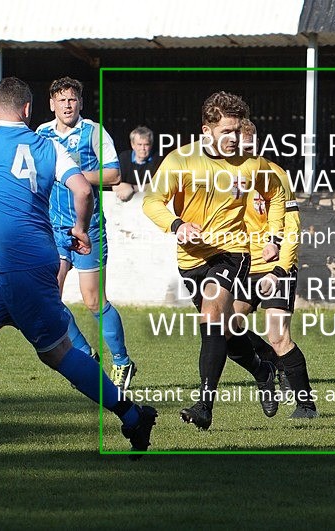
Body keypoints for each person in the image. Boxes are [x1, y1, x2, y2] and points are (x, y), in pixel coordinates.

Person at [0, 77, 156, 459]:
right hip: (21, 262)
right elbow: (83, 190)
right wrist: (80, 228)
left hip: (18, 265)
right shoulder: (48, 146)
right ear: (27, 110)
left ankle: (132, 414)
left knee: (56, 353)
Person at [143, 91, 285, 431]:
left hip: (232, 252)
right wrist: (176, 225)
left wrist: (275, 237)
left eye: (238, 131)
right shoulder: (180, 161)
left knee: (211, 315)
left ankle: (204, 406)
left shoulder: (252, 163)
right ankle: (262, 367)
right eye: (227, 132)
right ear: (206, 131)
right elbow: (152, 201)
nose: (235, 139)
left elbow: (276, 194)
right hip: (190, 258)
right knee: (223, 331)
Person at [36, 77, 137, 391]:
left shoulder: (93, 132)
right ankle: (84, 353)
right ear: (51, 103)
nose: (67, 105)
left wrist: (73, 175)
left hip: (88, 226)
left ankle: (122, 362)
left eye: (72, 99)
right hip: (53, 226)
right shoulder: (41, 134)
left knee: (93, 300)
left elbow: (114, 173)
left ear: (80, 103)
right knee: (49, 298)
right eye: (61, 99)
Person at [230, 119, 318, 419]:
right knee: (224, 329)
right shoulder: (221, 177)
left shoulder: (274, 174)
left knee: (279, 335)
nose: (247, 148)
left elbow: (291, 226)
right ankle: (267, 363)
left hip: (273, 265)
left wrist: (280, 269)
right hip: (241, 264)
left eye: (252, 142)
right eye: (241, 142)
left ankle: (306, 406)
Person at [113, 126, 160, 202]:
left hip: (150, 202)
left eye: (146, 144)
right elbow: (115, 185)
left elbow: (159, 186)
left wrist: (132, 188)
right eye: (139, 144)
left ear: (151, 145)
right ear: (132, 145)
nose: (143, 148)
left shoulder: (158, 159)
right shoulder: (123, 158)